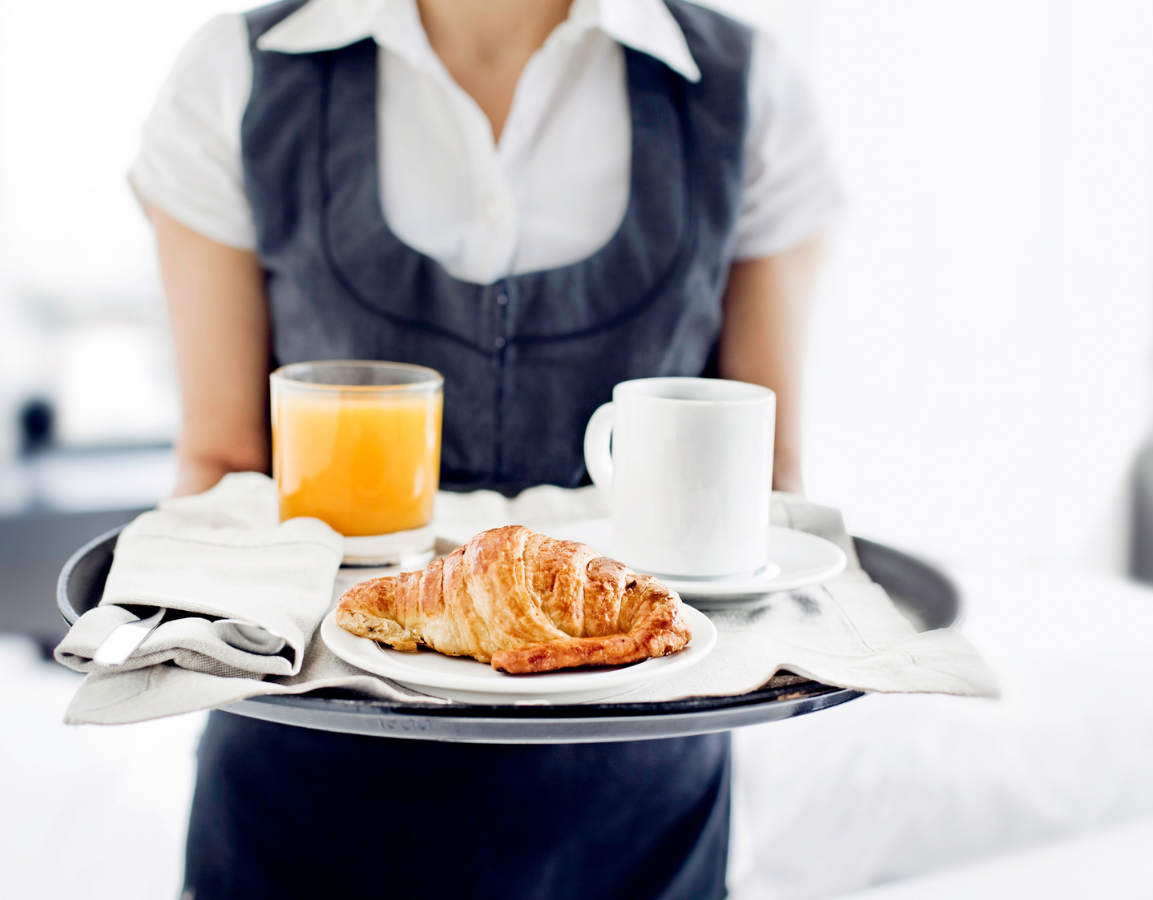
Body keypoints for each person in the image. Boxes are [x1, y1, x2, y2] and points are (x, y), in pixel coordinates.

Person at [133, 0, 841, 896]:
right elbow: (221, 471)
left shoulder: (746, 90)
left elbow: (765, 490)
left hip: (640, 816)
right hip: (305, 802)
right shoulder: (239, 72)